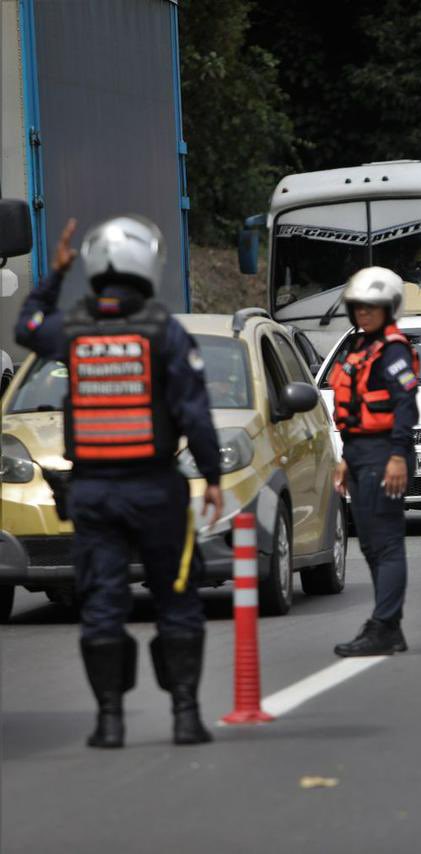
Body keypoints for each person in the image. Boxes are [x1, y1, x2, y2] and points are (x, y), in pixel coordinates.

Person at [15, 217, 223, 748]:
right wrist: (214, 478)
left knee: (103, 602)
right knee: (176, 597)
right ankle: (185, 716)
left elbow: (28, 325)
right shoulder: (164, 330)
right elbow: (194, 415)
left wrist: (54, 275)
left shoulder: (73, 328)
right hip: (156, 492)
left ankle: (109, 722)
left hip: (93, 495)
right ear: (144, 264)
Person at [329, 267, 420, 656]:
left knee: (385, 544)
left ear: (390, 308)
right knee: (368, 543)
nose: (364, 313)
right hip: (361, 455)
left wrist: (398, 455)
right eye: (358, 307)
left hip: (386, 453)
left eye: (372, 307)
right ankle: (389, 626)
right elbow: (353, 410)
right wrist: (347, 458)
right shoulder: (359, 347)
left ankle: (384, 626)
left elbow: (405, 406)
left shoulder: (394, 350)